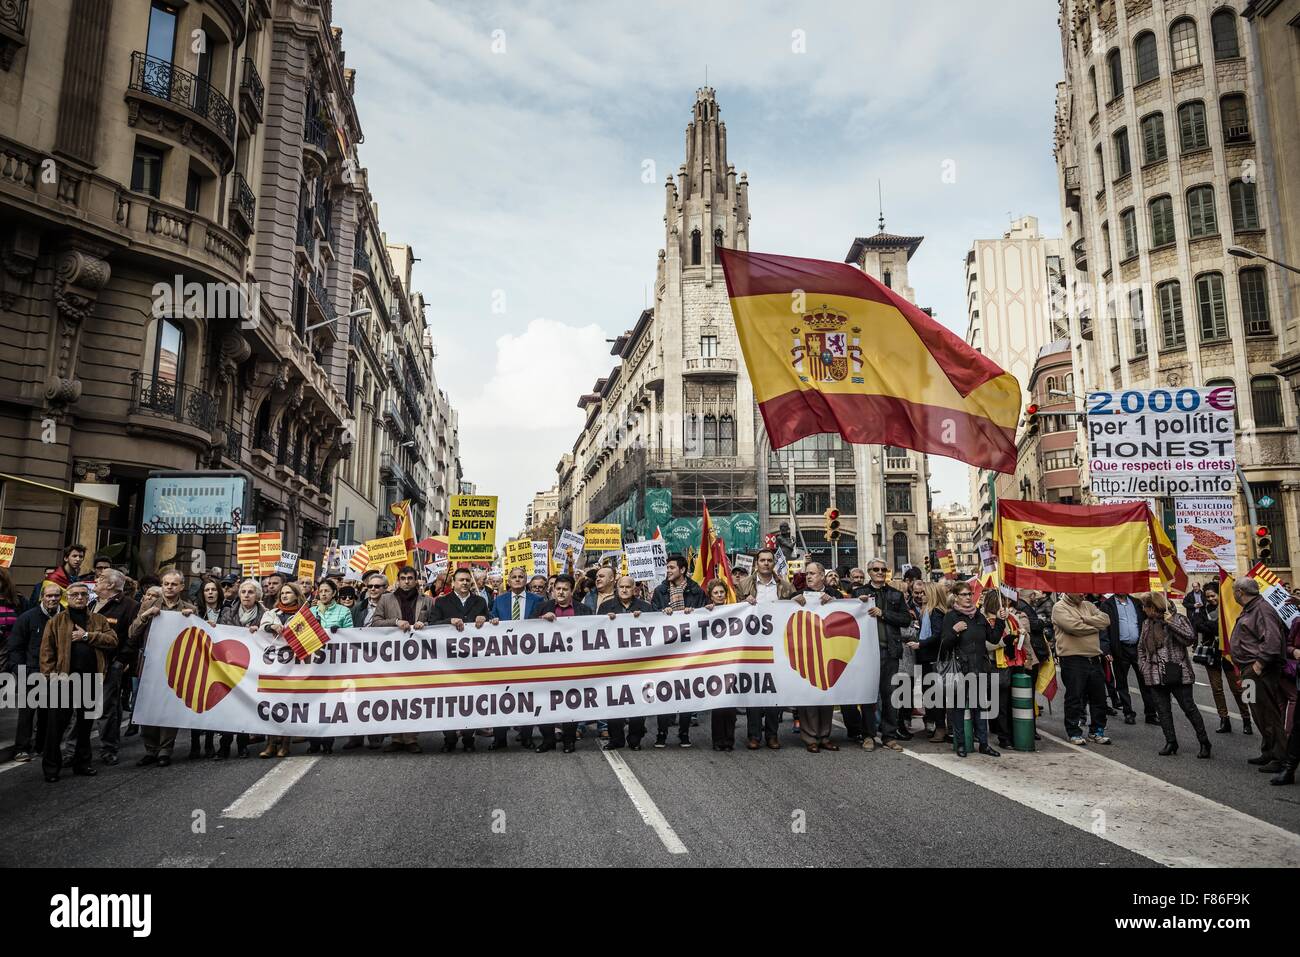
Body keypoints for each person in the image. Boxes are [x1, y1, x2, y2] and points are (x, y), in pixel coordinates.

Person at [39, 580, 117, 782]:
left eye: (83, 594)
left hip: (91, 679)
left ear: (88, 597)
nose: (80, 598)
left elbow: (112, 640)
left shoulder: (98, 620)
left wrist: (87, 636)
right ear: (68, 597)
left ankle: (82, 763)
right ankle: (51, 768)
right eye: (75, 595)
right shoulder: (55, 622)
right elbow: (46, 654)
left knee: (84, 725)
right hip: (64, 680)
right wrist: (51, 677)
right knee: (56, 726)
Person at [130, 569, 197, 767]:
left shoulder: (189, 608)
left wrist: (193, 619)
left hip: (176, 666)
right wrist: (146, 616)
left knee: (168, 707)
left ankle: (165, 749)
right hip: (150, 664)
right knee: (147, 707)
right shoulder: (148, 605)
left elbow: (199, 638)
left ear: (181, 587)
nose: (169, 587)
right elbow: (132, 633)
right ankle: (150, 749)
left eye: (174, 584)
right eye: (166, 584)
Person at [1135, 593, 1210, 758]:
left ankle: (1204, 742)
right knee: (1162, 710)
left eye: (1145, 607)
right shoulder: (1147, 623)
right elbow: (1141, 647)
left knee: (1189, 708)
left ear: (1153, 607)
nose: (1143, 610)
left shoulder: (1178, 618)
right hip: (1154, 674)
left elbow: (1189, 638)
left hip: (1178, 672)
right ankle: (1171, 741)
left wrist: (1171, 623)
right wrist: (1143, 666)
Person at [849, 558, 912, 751]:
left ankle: (889, 736)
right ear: (869, 572)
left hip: (890, 651)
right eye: (875, 569)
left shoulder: (896, 594)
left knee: (890, 695)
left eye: (883, 569)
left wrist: (883, 613)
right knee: (868, 695)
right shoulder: (858, 593)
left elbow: (906, 619)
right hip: (867, 652)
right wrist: (856, 604)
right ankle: (868, 735)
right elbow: (848, 617)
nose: (879, 572)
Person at [734, 548, 796, 748]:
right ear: (756, 563)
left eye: (770, 560)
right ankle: (753, 735)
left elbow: (794, 610)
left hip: (777, 645)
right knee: (754, 690)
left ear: (774, 563)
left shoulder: (786, 586)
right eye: (762, 560)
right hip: (752, 644)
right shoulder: (744, 584)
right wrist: (744, 602)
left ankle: (772, 734)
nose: (766, 563)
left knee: (772, 691)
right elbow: (734, 611)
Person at [938, 581, 1005, 758]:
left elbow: (993, 637)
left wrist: (1000, 620)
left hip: (979, 667)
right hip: (960, 668)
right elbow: (944, 644)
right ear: (956, 597)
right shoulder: (951, 617)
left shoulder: (978, 616)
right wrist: (954, 631)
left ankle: (983, 744)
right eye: (964, 595)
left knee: (980, 707)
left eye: (970, 594)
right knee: (960, 708)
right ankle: (961, 744)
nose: (968, 597)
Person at [373, 566, 435, 754]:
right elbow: (375, 622)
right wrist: (395, 622)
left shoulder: (427, 601)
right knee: (393, 696)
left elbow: (438, 624)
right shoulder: (385, 599)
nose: (407, 581)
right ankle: (396, 738)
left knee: (413, 698)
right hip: (393, 657)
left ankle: (411, 738)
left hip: (418, 657)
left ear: (416, 580)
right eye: (403, 578)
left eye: (410, 578)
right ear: (398, 580)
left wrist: (425, 625)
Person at [1230, 578, 1288, 774]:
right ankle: (1268, 750)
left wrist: (1258, 665)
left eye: (1233, 591)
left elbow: (1272, 641)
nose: (1233, 594)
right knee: (1256, 711)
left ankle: (1281, 757)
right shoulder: (1251, 609)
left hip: (1258, 671)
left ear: (1239, 592)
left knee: (1268, 713)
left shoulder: (1262, 609)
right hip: (1248, 670)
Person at [649, 555, 706, 748]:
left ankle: (684, 733)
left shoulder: (696, 590)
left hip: (690, 650)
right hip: (667, 651)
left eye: (672, 567)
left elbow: (704, 614)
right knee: (665, 691)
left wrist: (696, 612)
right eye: (667, 568)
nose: (668, 571)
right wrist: (661, 612)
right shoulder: (660, 591)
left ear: (682, 570)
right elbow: (653, 615)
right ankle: (662, 733)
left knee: (687, 692)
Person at [431, 567, 489, 752]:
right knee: (448, 700)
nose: (464, 583)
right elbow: (432, 624)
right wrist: (448, 622)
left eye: (467, 580)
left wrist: (485, 619)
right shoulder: (442, 602)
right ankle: (448, 738)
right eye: (461, 580)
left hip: (473, 660)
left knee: (470, 700)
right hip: (449, 661)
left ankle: (468, 738)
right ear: (453, 583)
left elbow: (491, 624)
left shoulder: (480, 601)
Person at [487, 568, 545, 750]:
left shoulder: (538, 600)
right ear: (509, 580)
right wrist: (492, 620)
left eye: (521, 577)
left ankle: (526, 736)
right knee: (500, 697)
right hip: (503, 657)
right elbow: (491, 619)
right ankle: (499, 738)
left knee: (526, 697)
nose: (518, 579)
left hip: (528, 658)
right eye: (514, 577)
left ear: (526, 580)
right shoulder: (499, 600)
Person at [533, 574, 591, 753]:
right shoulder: (541, 607)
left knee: (571, 703)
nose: (561, 592)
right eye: (558, 589)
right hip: (546, 666)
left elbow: (594, 632)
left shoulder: (584, 610)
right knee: (545, 702)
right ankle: (548, 739)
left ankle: (569, 740)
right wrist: (541, 620)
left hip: (574, 665)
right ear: (552, 590)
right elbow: (527, 630)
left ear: (571, 590)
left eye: (565, 589)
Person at [7, 583, 64, 762]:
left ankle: (41, 746)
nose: (53, 599)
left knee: (48, 712)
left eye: (56, 596)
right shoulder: (27, 618)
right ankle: (21, 749)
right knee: (27, 713)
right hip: (31, 671)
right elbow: (15, 647)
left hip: (55, 673)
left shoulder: (65, 618)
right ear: (42, 597)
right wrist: (19, 670)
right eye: (49, 596)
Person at [599, 576, 654, 751]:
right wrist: (605, 622)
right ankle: (616, 739)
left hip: (639, 665)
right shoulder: (606, 608)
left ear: (634, 589)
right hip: (614, 665)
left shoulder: (645, 608)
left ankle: (635, 739)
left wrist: (644, 619)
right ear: (616, 588)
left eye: (627, 587)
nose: (624, 590)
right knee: (614, 702)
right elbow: (595, 632)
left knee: (639, 702)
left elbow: (658, 628)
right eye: (621, 587)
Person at [1051, 593, 1114, 747]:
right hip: (1073, 659)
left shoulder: (1088, 605)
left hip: (1094, 657)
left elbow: (1105, 620)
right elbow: (1073, 628)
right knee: (1075, 697)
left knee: (1098, 697)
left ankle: (1097, 731)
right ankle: (1073, 732)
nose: (1082, 594)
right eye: (1078, 591)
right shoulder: (1059, 607)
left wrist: (1085, 619)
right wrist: (1095, 626)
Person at [90, 568, 138, 766]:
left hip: (111, 664)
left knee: (106, 707)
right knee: (82, 706)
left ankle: (108, 749)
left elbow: (132, 637)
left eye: (100, 578)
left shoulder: (129, 606)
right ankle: (75, 748)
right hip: (88, 663)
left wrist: (122, 660)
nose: (96, 580)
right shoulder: (92, 603)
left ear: (110, 584)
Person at [1188, 582, 1250, 735]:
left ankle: (1246, 719)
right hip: (1211, 654)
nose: (1210, 599)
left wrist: (1211, 626)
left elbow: (1227, 627)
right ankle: (1224, 719)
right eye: (1207, 596)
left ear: (1219, 595)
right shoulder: (1202, 610)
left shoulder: (1228, 610)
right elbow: (1198, 625)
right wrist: (1215, 626)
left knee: (1237, 689)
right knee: (1217, 689)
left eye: (1212, 595)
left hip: (1229, 654)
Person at [214, 578, 265, 759]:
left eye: (250, 592)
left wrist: (259, 631)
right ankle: (224, 745)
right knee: (229, 705)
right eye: (243, 592)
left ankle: (243, 744)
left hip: (252, 667)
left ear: (257, 595)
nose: (246, 595)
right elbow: (221, 633)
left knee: (245, 706)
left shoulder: (264, 614)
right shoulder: (227, 612)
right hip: (230, 665)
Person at [258, 582, 309, 758]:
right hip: (275, 666)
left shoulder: (303, 615)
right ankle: (270, 743)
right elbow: (262, 626)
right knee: (272, 703)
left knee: (289, 703)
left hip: (295, 666)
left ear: (296, 595)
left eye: (288, 593)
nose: (284, 596)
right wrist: (271, 626)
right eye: (282, 593)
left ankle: (285, 744)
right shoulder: (272, 613)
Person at [795, 562, 839, 753]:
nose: (809, 577)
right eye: (807, 574)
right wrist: (793, 601)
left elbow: (847, 611)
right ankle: (810, 737)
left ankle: (825, 735)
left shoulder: (833, 595)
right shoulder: (798, 595)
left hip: (828, 651)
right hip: (806, 651)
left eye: (813, 573)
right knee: (809, 696)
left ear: (822, 575)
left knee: (826, 695)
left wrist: (834, 602)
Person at [306, 579, 353, 755]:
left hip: (334, 666)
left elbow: (352, 636)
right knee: (312, 704)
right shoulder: (310, 612)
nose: (323, 594)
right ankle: (313, 742)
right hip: (314, 666)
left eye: (327, 591)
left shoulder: (344, 611)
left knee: (329, 704)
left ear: (334, 593)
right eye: (321, 591)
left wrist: (340, 633)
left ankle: (327, 742)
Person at [1101, 592, 1154, 726]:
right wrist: (1106, 649)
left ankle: (1151, 714)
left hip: (1138, 648)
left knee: (1146, 682)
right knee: (1122, 683)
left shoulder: (1137, 602)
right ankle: (1128, 713)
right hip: (1120, 649)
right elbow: (1103, 628)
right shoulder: (1107, 605)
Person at [703, 578, 739, 750]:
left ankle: (729, 740)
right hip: (714, 664)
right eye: (715, 593)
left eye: (721, 592)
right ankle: (718, 741)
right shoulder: (705, 612)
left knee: (730, 705)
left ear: (726, 594)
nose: (719, 595)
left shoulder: (735, 610)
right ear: (710, 595)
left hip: (731, 662)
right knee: (718, 706)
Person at [918, 581, 950, 743]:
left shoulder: (936, 612)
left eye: (924, 593)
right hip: (928, 658)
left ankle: (940, 728)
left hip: (933, 659)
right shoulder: (928, 611)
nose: (920, 595)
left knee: (935, 695)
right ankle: (937, 726)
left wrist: (920, 644)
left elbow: (937, 635)